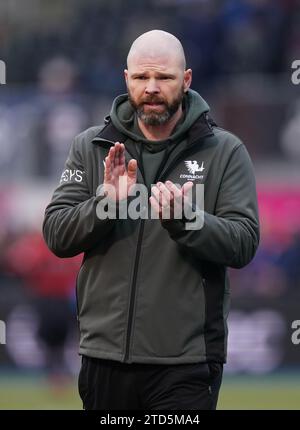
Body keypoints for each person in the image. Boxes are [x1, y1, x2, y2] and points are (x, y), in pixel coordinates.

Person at [43, 30, 260, 410]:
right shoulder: (90, 146)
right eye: (142, 78)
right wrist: (104, 203)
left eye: (165, 77)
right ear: (126, 79)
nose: (152, 88)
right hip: (103, 358)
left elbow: (243, 243)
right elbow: (57, 235)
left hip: (187, 364)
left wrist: (187, 220)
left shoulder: (225, 151)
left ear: (187, 80)